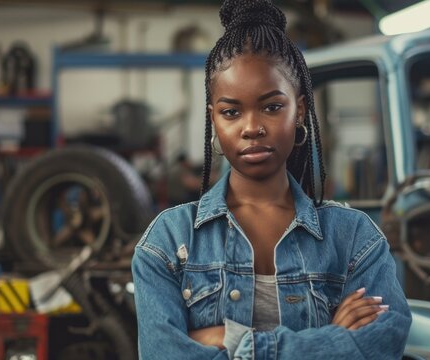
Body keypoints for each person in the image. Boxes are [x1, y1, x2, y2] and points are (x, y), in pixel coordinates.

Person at [131, 1, 412, 359]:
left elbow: (383, 344)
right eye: (231, 112)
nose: (252, 128)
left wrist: (233, 340)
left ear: (300, 111)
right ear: (213, 120)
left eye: (272, 106)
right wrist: (330, 339)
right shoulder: (168, 242)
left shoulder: (355, 239)